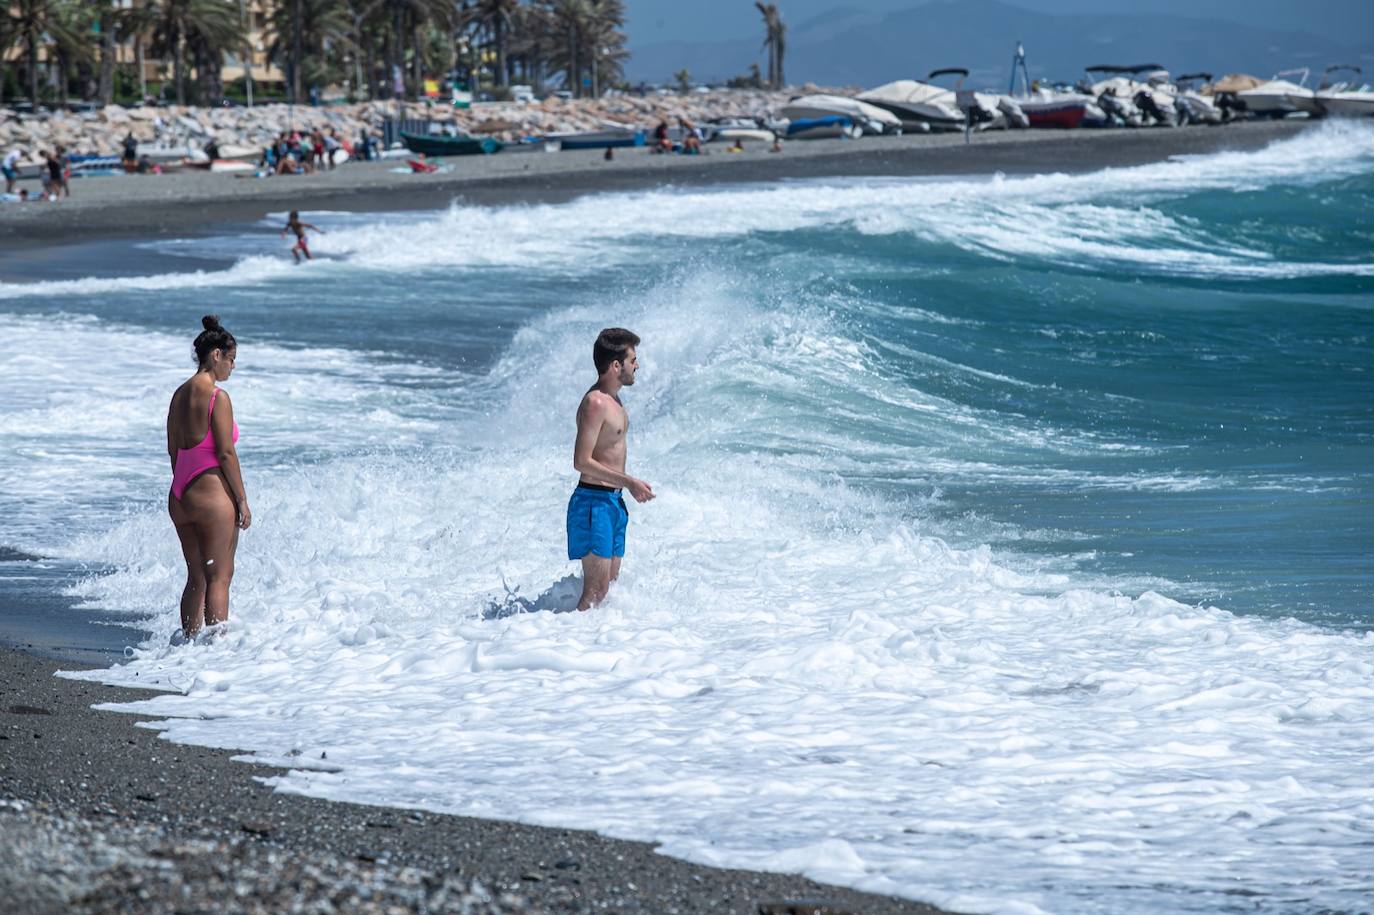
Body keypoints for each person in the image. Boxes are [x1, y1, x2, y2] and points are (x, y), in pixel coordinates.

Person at [166, 315, 250, 639]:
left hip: (180, 496)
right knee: (219, 576)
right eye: (231, 360)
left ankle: (187, 645)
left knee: (196, 576)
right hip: (212, 499)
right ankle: (215, 655)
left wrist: (185, 489)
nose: (232, 368)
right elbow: (226, 453)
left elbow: (173, 451)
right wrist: (241, 500)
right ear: (216, 355)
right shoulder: (218, 397)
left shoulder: (178, 395)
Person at [568, 328, 654, 611]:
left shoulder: (615, 401)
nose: (637, 365)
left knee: (609, 589)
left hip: (612, 502)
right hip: (593, 503)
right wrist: (629, 482)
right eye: (633, 359)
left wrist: (624, 488)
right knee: (596, 591)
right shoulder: (595, 403)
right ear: (616, 365)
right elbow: (581, 461)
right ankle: (561, 645)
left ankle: (598, 648)